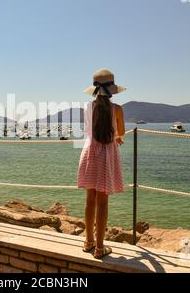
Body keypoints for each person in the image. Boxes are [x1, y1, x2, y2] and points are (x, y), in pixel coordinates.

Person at [77, 68, 126, 259]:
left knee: (90, 199)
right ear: (112, 90)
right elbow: (119, 132)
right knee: (103, 202)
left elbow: (91, 130)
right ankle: (99, 248)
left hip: (90, 152)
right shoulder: (117, 109)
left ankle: (88, 242)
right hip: (106, 153)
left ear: (95, 89)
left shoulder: (88, 107)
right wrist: (116, 136)